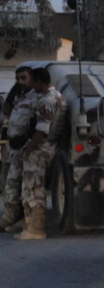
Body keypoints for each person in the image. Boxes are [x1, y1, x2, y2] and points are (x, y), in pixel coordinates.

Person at [15, 67, 64, 240]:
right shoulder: (57, 96)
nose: (32, 85)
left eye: (34, 82)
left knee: (33, 186)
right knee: (35, 185)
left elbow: (42, 129)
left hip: (40, 147)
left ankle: (36, 229)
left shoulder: (45, 101)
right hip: (49, 145)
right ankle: (32, 227)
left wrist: (30, 148)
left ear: (40, 82)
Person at [0, 67, 37, 233]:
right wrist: (11, 94)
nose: (20, 82)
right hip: (13, 147)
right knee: (10, 183)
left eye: (24, 78)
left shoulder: (36, 97)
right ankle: (9, 216)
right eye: (17, 79)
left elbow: (38, 123)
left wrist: (26, 140)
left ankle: (22, 219)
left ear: (32, 78)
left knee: (25, 185)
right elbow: (6, 112)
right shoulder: (19, 96)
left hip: (27, 147)